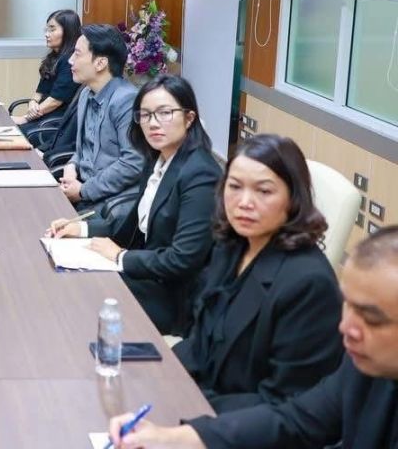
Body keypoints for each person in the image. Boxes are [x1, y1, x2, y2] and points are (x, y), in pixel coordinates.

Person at [108, 225, 398, 449]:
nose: (346, 326)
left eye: (371, 318)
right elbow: (295, 420)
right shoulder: (362, 367)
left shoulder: (306, 280)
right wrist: (174, 438)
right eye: (348, 305)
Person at [170, 134, 343, 412]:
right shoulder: (232, 245)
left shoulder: (309, 284)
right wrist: (160, 374)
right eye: (234, 187)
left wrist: (187, 409)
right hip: (202, 400)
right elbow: (201, 342)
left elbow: (286, 404)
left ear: (293, 199)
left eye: (263, 191)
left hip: (245, 424)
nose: (244, 202)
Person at [48, 75, 222, 335]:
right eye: (145, 115)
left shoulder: (200, 174)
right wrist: (80, 229)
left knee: (81, 296)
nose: (153, 123)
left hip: (175, 297)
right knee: (66, 282)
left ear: (189, 118)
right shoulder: (158, 160)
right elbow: (131, 227)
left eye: (165, 113)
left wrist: (121, 257)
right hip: (148, 276)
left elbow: (183, 259)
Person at [60, 24, 145, 218]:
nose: (70, 60)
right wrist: (71, 166)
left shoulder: (126, 101)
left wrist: (83, 191)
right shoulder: (86, 93)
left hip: (109, 203)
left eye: (77, 54)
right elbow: (84, 150)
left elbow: (133, 163)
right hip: (82, 190)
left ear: (100, 63)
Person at [14, 9, 82, 150]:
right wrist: (33, 103)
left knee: (15, 134)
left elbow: (55, 101)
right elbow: (40, 92)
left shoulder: (70, 60)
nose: (46, 34)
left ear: (68, 32)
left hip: (54, 124)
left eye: (52, 29)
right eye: (46, 30)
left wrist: (24, 118)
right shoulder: (53, 58)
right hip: (42, 117)